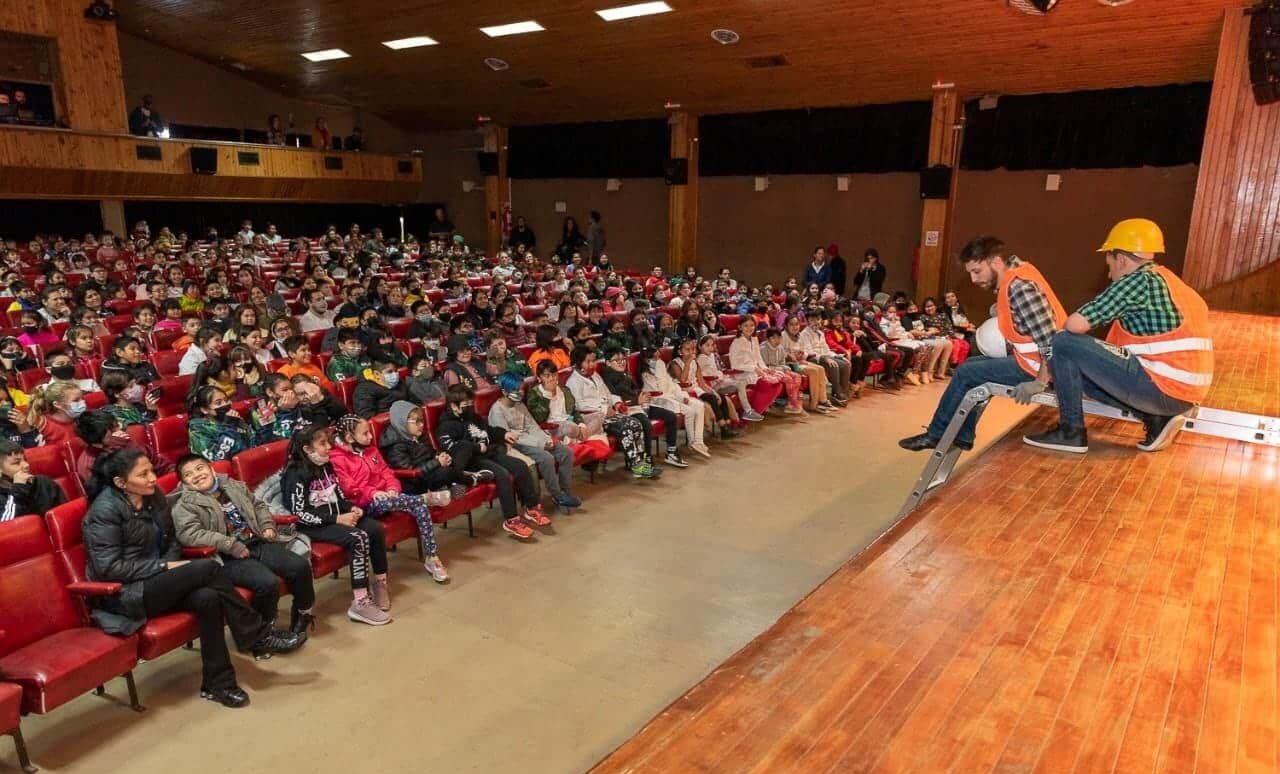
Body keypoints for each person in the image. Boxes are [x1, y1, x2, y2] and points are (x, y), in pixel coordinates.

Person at [82, 449, 303, 708]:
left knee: (207, 598)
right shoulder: (103, 513)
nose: (153, 478)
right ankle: (255, 633)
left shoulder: (153, 498)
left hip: (162, 580)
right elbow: (109, 568)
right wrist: (165, 565)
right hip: (126, 594)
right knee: (207, 569)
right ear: (121, 483)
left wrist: (171, 563)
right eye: (143, 474)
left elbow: (172, 540)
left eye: (151, 471)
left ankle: (218, 684)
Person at [1023, 219, 1213, 454]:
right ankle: (1154, 417)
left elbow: (1074, 324)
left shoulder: (1136, 281)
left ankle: (1071, 431)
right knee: (1080, 371)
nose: (1110, 273)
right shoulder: (1172, 283)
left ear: (1121, 259)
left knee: (1063, 342)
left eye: (1109, 263)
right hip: (1184, 395)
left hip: (1164, 388)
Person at [900, 236, 1065, 453]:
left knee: (966, 372)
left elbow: (1049, 340)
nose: (973, 279)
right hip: (1037, 361)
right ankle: (964, 436)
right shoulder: (1016, 273)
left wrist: (1039, 382)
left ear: (995, 261)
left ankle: (937, 434)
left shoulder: (1019, 287)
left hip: (1044, 367)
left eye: (977, 271)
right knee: (973, 366)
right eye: (970, 273)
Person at [172, 454, 317, 635]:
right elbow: (189, 534)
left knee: (300, 566)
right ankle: (263, 633)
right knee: (267, 583)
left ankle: (303, 615)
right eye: (188, 474)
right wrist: (229, 544)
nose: (197, 475)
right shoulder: (184, 505)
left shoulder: (232, 486)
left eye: (200, 468)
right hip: (227, 556)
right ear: (184, 483)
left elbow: (259, 506)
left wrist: (266, 525)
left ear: (211, 468)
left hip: (256, 541)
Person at [281, 422, 392, 625]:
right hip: (313, 525)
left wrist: (350, 508)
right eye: (322, 444)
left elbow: (338, 496)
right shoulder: (294, 474)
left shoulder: (327, 466)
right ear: (307, 449)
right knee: (358, 538)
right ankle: (360, 602)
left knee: (374, 529)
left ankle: (380, 583)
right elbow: (299, 513)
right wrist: (337, 519)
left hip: (337, 517)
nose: (329, 447)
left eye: (328, 442)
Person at [329, 415, 450, 582]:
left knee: (420, 508)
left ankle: (432, 557)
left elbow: (387, 472)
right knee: (386, 501)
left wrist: (393, 488)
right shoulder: (337, 459)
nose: (371, 437)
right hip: (363, 505)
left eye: (370, 432)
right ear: (350, 437)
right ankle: (424, 498)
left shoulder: (371, 449)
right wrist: (374, 493)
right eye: (365, 434)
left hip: (390, 497)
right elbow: (350, 488)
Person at [436, 384, 549, 539]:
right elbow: (454, 450)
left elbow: (488, 430)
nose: (470, 407)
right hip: (472, 461)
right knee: (502, 474)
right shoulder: (445, 427)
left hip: (489, 453)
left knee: (520, 466)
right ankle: (511, 520)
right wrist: (476, 447)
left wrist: (504, 434)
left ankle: (532, 508)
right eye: (466, 405)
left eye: (471, 403)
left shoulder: (472, 417)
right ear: (453, 406)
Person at [488, 372, 582, 511]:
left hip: (534, 439)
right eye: (516, 390)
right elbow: (510, 438)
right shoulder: (497, 411)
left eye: (521, 389)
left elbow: (532, 425)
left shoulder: (519, 404)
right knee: (546, 458)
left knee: (565, 452)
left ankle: (566, 491)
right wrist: (540, 444)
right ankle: (556, 495)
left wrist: (546, 439)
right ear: (504, 391)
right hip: (517, 446)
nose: (520, 392)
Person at [565, 347, 660, 478]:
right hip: (592, 419)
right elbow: (579, 405)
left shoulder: (595, 375)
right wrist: (604, 409)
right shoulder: (573, 382)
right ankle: (636, 466)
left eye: (593, 361)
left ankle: (641, 463)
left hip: (609, 414)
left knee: (636, 423)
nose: (592, 364)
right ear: (578, 363)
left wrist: (617, 403)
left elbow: (607, 394)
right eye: (588, 361)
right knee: (626, 427)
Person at [600, 347, 687, 468]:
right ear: (608, 363)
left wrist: (643, 396)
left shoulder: (625, 374)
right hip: (626, 410)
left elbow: (635, 390)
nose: (622, 362)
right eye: (617, 360)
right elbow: (613, 399)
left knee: (670, 416)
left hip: (639, 405)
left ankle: (671, 453)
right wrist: (636, 400)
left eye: (623, 359)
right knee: (646, 424)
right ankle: (646, 459)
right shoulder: (607, 378)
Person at [378, 400, 476, 500]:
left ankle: (453, 483)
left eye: (422, 420)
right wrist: (437, 463)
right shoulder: (395, 445)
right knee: (446, 471)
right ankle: (470, 479)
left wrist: (439, 456)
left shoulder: (418, 434)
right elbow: (411, 472)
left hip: (431, 469)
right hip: (418, 481)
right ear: (402, 422)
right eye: (417, 421)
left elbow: (430, 453)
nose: (421, 425)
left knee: (463, 446)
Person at [640, 348, 711, 457]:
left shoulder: (662, 368)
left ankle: (698, 441)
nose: (658, 360)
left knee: (699, 405)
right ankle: (692, 442)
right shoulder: (646, 375)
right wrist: (678, 398)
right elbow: (659, 391)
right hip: (660, 401)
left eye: (659, 357)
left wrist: (681, 396)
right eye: (654, 358)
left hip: (673, 397)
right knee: (690, 411)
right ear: (646, 360)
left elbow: (673, 385)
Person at [669, 337, 741, 439]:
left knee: (721, 397)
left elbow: (701, 383)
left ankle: (728, 426)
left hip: (695, 389)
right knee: (711, 399)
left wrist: (713, 392)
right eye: (687, 350)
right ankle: (723, 427)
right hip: (682, 391)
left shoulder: (695, 362)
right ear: (680, 351)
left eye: (692, 349)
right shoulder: (674, 363)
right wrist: (688, 363)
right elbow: (683, 381)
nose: (691, 352)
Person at [730, 320, 800, 416]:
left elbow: (758, 358)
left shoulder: (754, 339)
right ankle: (754, 411)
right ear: (740, 327)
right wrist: (754, 368)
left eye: (752, 325)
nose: (749, 328)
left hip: (757, 371)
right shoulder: (736, 342)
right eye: (746, 326)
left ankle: (760, 410)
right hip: (744, 373)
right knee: (770, 383)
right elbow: (734, 365)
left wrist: (764, 368)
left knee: (777, 381)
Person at [0, 439, 65, 521]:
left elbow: (64, 515)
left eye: (25, 460)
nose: (26, 465)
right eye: (17, 463)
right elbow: (6, 525)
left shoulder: (43, 482)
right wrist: (19, 488)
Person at [186, 385, 253, 461]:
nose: (225, 404)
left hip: (248, 462)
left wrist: (263, 425)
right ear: (204, 410)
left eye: (226, 400)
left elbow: (253, 443)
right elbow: (217, 458)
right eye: (218, 403)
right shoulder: (197, 430)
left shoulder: (233, 418)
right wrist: (229, 426)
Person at [26, 381, 84, 446]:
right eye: (76, 400)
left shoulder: (83, 416)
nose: (82, 403)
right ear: (58, 404)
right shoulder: (46, 427)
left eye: (82, 398)